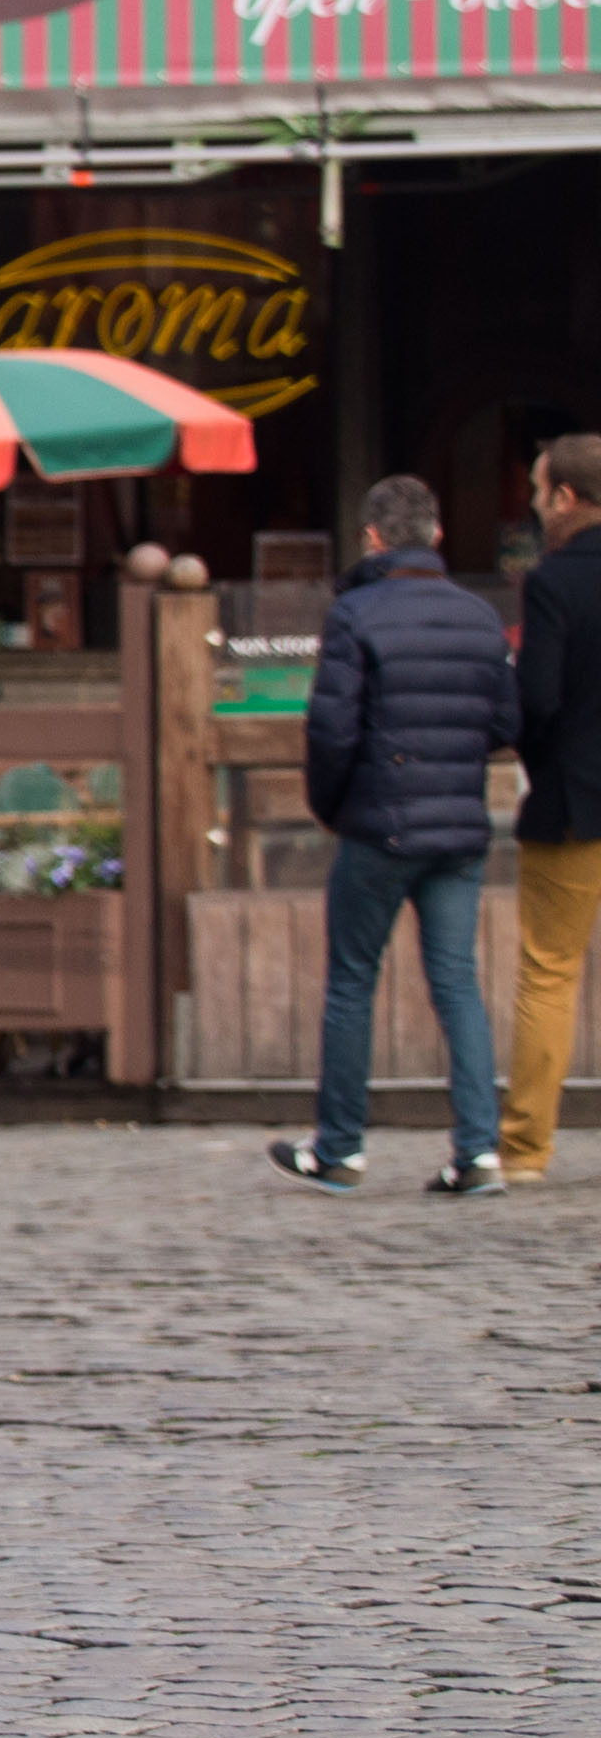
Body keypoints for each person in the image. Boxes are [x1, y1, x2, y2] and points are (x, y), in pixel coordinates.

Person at [271, 471, 521, 1199]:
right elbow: (506, 722)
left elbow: (331, 730)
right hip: (459, 827)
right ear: (436, 534)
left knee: (352, 980)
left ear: (373, 538)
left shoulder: (354, 614)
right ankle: (478, 1152)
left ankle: (340, 1149)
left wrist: (333, 806)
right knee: (457, 984)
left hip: (378, 826)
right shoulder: (480, 616)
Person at [512, 437, 601, 1183]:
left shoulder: (553, 582)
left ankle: (526, 1150)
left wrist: (535, 753)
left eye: (541, 493)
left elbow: (535, 700)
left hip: (576, 801)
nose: (536, 506)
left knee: (549, 973)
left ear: (567, 498)